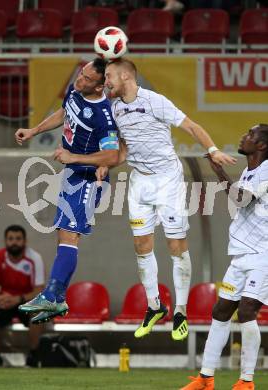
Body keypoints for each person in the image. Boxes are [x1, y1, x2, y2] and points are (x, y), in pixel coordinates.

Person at [100, 58, 236, 341]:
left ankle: (181, 311)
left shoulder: (154, 101)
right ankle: (154, 306)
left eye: (110, 75)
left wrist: (212, 150)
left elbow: (191, 126)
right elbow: (124, 150)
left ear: (126, 75)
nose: (106, 81)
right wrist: (106, 165)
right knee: (141, 244)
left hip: (167, 180)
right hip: (139, 180)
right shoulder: (113, 107)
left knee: (176, 246)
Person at [14, 58, 119, 324]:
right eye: (80, 74)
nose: (79, 80)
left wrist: (73, 157)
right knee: (63, 236)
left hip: (87, 179)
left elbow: (111, 155)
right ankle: (56, 297)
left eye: (86, 79)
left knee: (69, 237)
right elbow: (64, 113)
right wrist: (35, 130)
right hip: (71, 176)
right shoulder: (76, 91)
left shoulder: (103, 115)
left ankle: (52, 295)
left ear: (99, 87)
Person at [181, 124, 268, 390]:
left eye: (251, 135)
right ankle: (206, 378)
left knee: (246, 312)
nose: (244, 136)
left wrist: (218, 171)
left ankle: (246, 380)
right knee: (220, 311)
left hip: (263, 255)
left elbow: (240, 200)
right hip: (241, 254)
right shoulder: (248, 170)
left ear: (263, 145)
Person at [0, 225, 45, 367]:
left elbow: (39, 290)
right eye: (10, 239)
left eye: (18, 239)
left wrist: (18, 299)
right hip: (4, 302)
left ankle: (33, 355)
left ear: (25, 241)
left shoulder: (35, 258)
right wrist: (0, 298)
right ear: (5, 241)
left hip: (26, 302)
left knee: (41, 309)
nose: (14, 242)